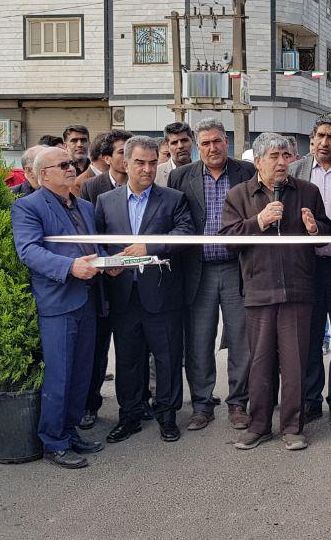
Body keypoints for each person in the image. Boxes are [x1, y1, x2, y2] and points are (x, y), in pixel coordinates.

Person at [220, 133, 331, 451]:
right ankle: (258, 425)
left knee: (295, 362)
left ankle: (292, 427)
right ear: (257, 162)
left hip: (298, 288)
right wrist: (259, 220)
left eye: (286, 155)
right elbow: (228, 238)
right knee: (260, 361)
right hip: (258, 289)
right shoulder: (239, 195)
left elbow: (325, 232)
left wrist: (315, 229)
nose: (282, 162)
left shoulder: (307, 191)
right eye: (274, 156)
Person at [10, 147, 105, 469]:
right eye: (63, 164)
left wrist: (113, 261)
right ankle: (53, 441)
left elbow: (95, 247)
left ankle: (69, 430)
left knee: (81, 373)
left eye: (73, 163)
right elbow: (28, 251)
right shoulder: (28, 206)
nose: (71, 168)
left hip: (88, 297)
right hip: (59, 301)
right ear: (43, 173)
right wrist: (69, 268)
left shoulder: (85, 207)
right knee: (60, 374)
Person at [95, 137, 194, 444]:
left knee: (166, 357)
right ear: (125, 163)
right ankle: (130, 415)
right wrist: (105, 264)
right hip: (123, 293)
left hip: (161, 293)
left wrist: (149, 246)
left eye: (153, 162)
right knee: (127, 359)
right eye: (140, 162)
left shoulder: (173, 198)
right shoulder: (106, 201)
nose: (148, 169)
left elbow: (184, 233)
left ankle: (167, 415)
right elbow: (97, 240)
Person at [167, 119, 257, 431]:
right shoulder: (181, 176)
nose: (212, 148)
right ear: (196, 145)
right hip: (198, 271)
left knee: (241, 339)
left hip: (237, 268)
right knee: (198, 340)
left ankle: (238, 403)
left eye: (217, 141)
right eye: (205, 143)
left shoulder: (245, 173)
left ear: (226, 142)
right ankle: (202, 404)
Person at [289, 116, 331, 427]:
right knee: (310, 335)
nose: (325, 142)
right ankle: (311, 399)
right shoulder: (295, 171)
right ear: (312, 138)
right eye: (320, 136)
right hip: (308, 265)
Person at [78, 129, 136, 429]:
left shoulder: (145, 182)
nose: (129, 159)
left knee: (133, 349)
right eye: (122, 153)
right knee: (97, 349)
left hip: (135, 282)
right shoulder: (91, 187)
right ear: (107, 158)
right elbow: (89, 233)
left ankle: (136, 404)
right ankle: (90, 404)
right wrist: (106, 261)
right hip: (103, 281)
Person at [155, 122, 193, 187]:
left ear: (192, 140)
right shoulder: (155, 174)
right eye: (174, 143)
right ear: (167, 146)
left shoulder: (203, 171)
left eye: (184, 140)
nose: (180, 146)